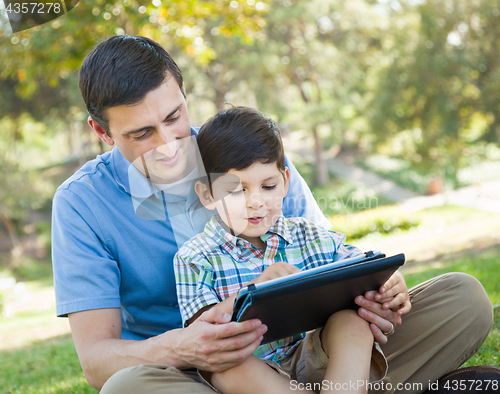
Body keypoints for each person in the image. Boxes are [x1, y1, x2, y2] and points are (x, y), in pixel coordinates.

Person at [51, 35, 493, 394]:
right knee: (126, 388)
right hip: (204, 375)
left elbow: (327, 264)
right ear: (102, 132)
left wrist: (372, 293)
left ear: (185, 95)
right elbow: (96, 361)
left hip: (316, 349)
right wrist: (188, 346)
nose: (169, 144)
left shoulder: (248, 154)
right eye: (142, 133)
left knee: (464, 300)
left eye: (174, 116)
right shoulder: (81, 204)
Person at [174, 106, 412, 394]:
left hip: (321, 360)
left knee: (350, 322)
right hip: (255, 376)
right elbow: (201, 332)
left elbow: (358, 266)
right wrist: (256, 289)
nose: (256, 202)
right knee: (223, 367)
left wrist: (387, 284)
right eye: (236, 190)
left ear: (285, 182)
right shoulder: (194, 257)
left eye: (268, 185)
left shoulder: (309, 235)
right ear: (208, 194)